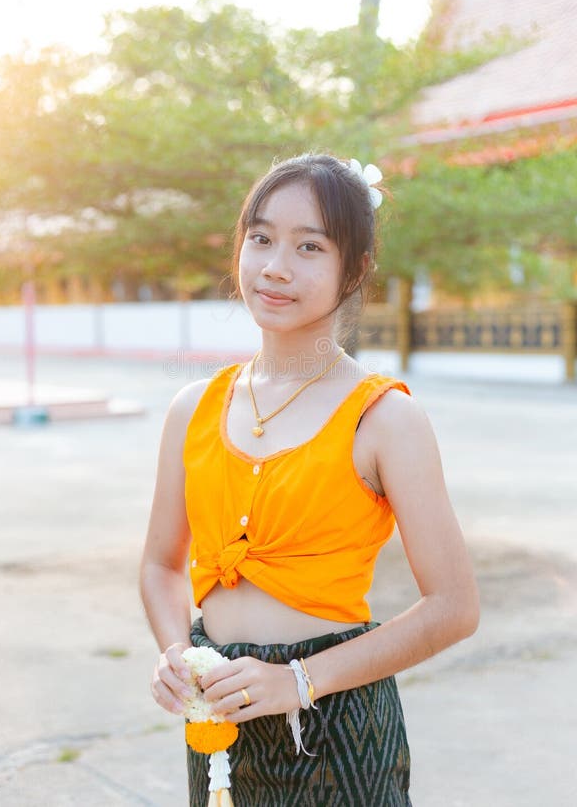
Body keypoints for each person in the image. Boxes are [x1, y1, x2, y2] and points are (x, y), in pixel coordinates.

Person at [140, 153, 480, 806]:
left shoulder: (384, 418)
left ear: (352, 270)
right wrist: (176, 653)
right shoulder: (193, 408)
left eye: (309, 247)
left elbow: (454, 607)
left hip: (337, 727)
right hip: (219, 718)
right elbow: (160, 565)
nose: (274, 266)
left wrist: (297, 681)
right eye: (261, 238)